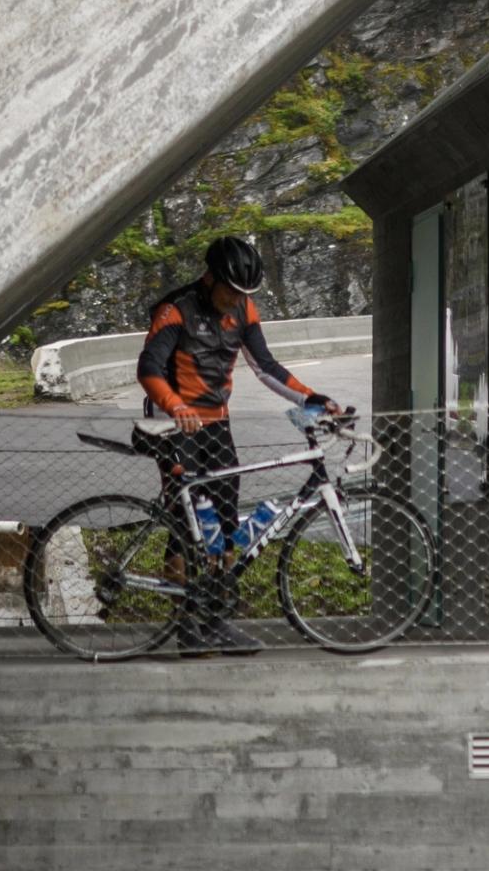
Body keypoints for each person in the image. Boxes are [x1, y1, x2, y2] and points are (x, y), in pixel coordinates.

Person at [134, 234, 344, 656]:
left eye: (245, 293)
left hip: (216, 426)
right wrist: (175, 406)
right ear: (210, 278)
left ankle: (216, 620)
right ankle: (186, 628)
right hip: (175, 426)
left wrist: (311, 398)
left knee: (225, 527)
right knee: (185, 526)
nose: (237, 300)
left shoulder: (244, 309)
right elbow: (149, 369)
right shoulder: (175, 310)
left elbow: (266, 367)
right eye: (231, 290)